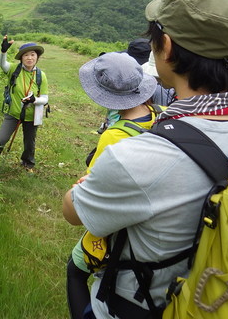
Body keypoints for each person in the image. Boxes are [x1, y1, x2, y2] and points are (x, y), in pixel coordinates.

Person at [62, 0, 228, 319]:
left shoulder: (139, 158)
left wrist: (84, 185)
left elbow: (74, 211)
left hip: (140, 306)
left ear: (167, 46)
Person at [67, 52, 159, 319]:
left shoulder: (114, 135)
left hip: (116, 221)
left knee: (74, 271)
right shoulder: (158, 114)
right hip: (148, 212)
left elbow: (90, 185)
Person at [0, 36, 49, 170]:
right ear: (21, 58)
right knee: (0, 139)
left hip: (31, 115)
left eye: (33, 55)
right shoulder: (14, 69)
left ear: (37, 57)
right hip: (13, 113)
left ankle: (27, 164)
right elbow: (2, 65)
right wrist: (3, 52)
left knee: (29, 144)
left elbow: (45, 98)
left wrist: (35, 100)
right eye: (26, 55)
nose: (29, 58)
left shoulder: (41, 75)